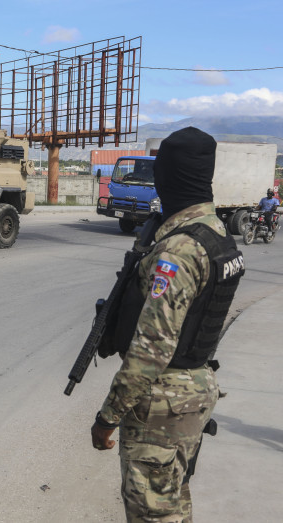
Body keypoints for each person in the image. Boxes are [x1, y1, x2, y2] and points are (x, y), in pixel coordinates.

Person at [90, 127, 245, 522]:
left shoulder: (178, 250)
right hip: (193, 393)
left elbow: (151, 350)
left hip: (161, 404)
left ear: (169, 177)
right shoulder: (217, 234)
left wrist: (108, 417)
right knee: (173, 504)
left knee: (152, 514)